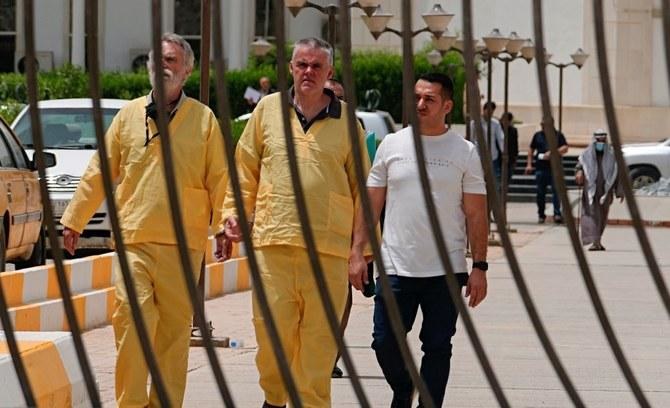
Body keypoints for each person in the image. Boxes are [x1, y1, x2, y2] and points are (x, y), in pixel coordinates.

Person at [60, 33, 228, 407]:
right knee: (132, 328)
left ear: (187, 70)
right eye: (159, 61)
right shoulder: (128, 116)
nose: (164, 67)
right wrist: (74, 219)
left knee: (172, 339)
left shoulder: (204, 120)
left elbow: (220, 179)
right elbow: (99, 170)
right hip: (133, 238)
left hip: (183, 246)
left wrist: (226, 224)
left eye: (172, 61)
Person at [216, 37, 369, 408]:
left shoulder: (349, 123)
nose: (308, 72)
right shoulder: (267, 111)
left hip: (328, 252)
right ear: (290, 68)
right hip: (273, 243)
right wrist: (232, 216)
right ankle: (274, 398)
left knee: (318, 345)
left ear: (329, 73)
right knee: (270, 338)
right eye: (302, 64)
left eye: (317, 66)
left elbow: (364, 192)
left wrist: (359, 252)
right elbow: (244, 172)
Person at [349, 73, 489, 407]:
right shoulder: (392, 145)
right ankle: (404, 385)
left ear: (448, 106)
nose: (421, 104)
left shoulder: (465, 152)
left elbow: (476, 214)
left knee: (438, 346)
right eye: (417, 97)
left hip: (447, 269)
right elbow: (371, 205)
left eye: (430, 99)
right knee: (384, 341)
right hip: (396, 266)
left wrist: (480, 266)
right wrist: (356, 251)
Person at [575, 129, 623, 250]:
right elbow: (580, 166)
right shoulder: (586, 154)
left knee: (602, 216)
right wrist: (579, 172)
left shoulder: (612, 155)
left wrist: (619, 191)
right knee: (590, 215)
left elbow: (617, 173)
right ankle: (595, 242)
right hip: (590, 191)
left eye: (603, 140)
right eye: (598, 140)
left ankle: (598, 240)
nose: (600, 143)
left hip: (605, 192)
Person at [525, 121, 569, 224]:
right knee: (540, 193)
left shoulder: (558, 135)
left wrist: (554, 152)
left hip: (555, 169)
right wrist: (529, 164)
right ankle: (541, 214)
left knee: (556, 192)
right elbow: (531, 149)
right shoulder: (538, 135)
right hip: (541, 168)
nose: (544, 127)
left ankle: (557, 214)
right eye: (542, 125)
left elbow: (565, 147)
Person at [470, 101, 504, 190]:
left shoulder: (495, 123)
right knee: (478, 178)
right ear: (484, 110)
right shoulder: (475, 123)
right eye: (488, 111)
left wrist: (503, 151)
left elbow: (500, 138)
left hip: (492, 155)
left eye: (492, 112)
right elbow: (471, 139)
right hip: (478, 155)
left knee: (494, 180)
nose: (490, 113)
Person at [500, 111, 519, 183]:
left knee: (507, 178)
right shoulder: (498, 129)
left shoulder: (513, 130)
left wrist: (515, 158)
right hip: (499, 157)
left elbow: (515, 145)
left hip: (510, 157)